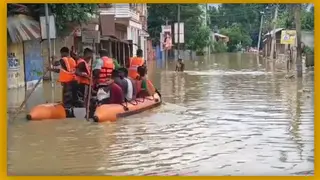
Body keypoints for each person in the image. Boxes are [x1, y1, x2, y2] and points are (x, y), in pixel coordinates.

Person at [48, 47, 77, 115]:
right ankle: (72, 111)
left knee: (66, 98)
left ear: (64, 53)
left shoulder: (63, 59)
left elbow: (55, 64)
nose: (61, 55)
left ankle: (67, 112)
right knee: (72, 98)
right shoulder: (72, 60)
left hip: (67, 82)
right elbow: (61, 70)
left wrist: (52, 59)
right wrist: (51, 69)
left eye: (61, 53)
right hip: (74, 81)